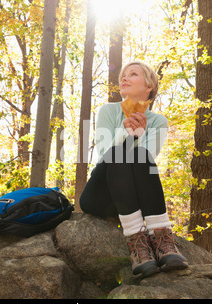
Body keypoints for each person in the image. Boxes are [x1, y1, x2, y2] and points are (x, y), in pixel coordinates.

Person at [79, 61, 188, 278]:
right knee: (118, 154)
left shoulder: (158, 121)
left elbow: (146, 160)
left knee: (139, 155)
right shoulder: (109, 111)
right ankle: (137, 245)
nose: (124, 78)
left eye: (133, 74)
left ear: (149, 86)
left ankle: (163, 240)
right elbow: (106, 155)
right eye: (123, 75)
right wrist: (127, 133)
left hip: (135, 196)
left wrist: (137, 135)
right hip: (102, 194)